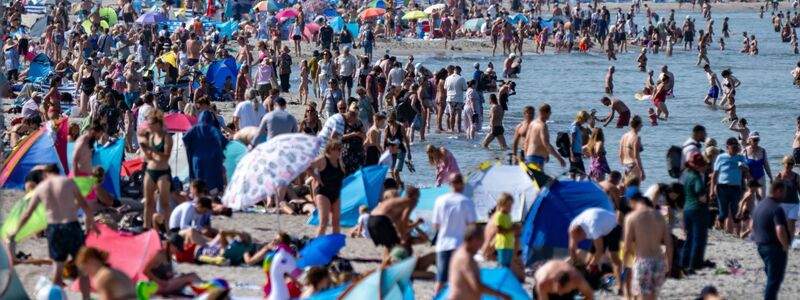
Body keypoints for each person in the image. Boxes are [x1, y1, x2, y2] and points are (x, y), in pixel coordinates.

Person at [8, 164, 96, 300]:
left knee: (58, 267)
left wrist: (16, 231)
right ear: (57, 172)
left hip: (54, 229)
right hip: (72, 226)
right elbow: (84, 204)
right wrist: (92, 224)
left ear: (45, 175)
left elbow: (27, 214)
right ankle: (86, 298)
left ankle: (56, 297)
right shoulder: (68, 182)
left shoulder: (41, 188)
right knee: (82, 268)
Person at [433, 173, 477, 295]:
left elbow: (436, 225)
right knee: (460, 280)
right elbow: (472, 226)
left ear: (449, 184)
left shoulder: (440, 200)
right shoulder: (466, 202)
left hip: (443, 244)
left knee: (441, 280)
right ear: (462, 184)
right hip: (460, 245)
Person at [623, 193, 673, 300]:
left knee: (642, 296)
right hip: (659, 262)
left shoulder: (633, 217)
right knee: (652, 296)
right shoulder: (659, 216)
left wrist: (624, 266)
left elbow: (627, 246)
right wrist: (669, 265)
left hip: (643, 261)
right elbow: (669, 243)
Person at [447, 224, 512, 300]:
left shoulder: (462, 253)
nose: (481, 246)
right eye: (482, 241)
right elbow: (476, 286)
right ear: (475, 240)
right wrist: (502, 295)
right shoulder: (465, 258)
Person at [752, 181, 791, 300]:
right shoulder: (776, 208)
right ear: (777, 191)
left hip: (761, 246)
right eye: (783, 192)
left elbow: (751, 224)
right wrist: (785, 246)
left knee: (771, 276)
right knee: (774, 281)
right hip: (773, 248)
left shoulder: (760, 205)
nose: (785, 196)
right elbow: (780, 229)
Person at [567, 207, 621, 285]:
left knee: (613, 256)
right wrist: (576, 264)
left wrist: (591, 265)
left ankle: (620, 285)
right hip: (599, 224)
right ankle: (586, 279)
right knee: (589, 257)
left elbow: (600, 250)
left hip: (613, 226)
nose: (578, 242)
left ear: (582, 232)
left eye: (578, 239)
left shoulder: (592, 227)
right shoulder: (572, 227)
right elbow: (572, 248)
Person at [368, 186, 420, 262]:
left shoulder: (397, 201)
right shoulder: (410, 202)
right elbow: (404, 221)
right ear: (411, 196)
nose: (417, 200)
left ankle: (385, 261)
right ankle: (387, 264)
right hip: (381, 219)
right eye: (417, 197)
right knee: (394, 244)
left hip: (371, 219)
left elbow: (399, 223)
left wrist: (415, 224)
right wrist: (403, 237)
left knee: (390, 243)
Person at [183, 111, 227, 194]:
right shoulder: (214, 130)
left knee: (198, 184)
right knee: (213, 185)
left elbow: (185, 140)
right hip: (213, 160)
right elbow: (224, 142)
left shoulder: (194, 129)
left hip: (197, 160)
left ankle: (199, 200)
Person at [711, 137, 749, 235]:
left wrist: (744, 167)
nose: (735, 149)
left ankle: (737, 234)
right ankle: (722, 233)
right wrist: (712, 190)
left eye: (736, 147)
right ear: (727, 147)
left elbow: (747, 173)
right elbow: (714, 175)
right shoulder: (721, 157)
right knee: (723, 213)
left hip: (736, 188)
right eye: (733, 147)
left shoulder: (740, 157)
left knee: (735, 212)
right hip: (722, 187)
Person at [682, 152, 711, 272]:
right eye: (703, 165)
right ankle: (695, 264)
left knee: (689, 238)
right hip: (697, 210)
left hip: (687, 209)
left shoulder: (687, 175)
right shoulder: (696, 177)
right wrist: (707, 193)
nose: (705, 167)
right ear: (697, 166)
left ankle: (684, 262)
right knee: (699, 238)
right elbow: (701, 195)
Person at [310, 140, 345, 237]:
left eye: (340, 149)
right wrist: (315, 176)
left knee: (336, 222)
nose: (339, 151)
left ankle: (335, 249)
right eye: (337, 149)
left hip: (336, 193)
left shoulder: (339, 161)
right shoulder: (323, 160)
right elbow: (308, 166)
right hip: (323, 193)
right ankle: (317, 247)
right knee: (324, 222)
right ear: (330, 150)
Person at [524, 104, 566, 170]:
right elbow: (546, 144)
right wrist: (559, 158)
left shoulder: (532, 123)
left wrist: (527, 156)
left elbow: (526, 141)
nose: (550, 115)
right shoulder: (542, 126)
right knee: (538, 179)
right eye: (549, 113)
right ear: (544, 112)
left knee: (531, 179)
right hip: (537, 159)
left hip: (530, 157)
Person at [743, 131, 773, 199]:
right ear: (749, 140)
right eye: (754, 140)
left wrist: (770, 177)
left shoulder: (763, 151)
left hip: (760, 177)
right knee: (750, 200)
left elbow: (766, 166)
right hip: (749, 178)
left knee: (762, 198)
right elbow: (742, 166)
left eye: (757, 139)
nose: (756, 142)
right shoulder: (745, 151)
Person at [775, 156, 800, 237]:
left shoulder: (796, 176)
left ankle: (791, 241)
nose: (790, 166)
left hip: (794, 203)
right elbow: (774, 190)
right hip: (782, 204)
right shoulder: (779, 175)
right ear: (783, 164)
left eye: (792, 164)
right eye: (788, 164)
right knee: (782, 224)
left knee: (791, 223)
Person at [490, 194, 515, 267]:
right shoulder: (499, 215)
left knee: (507, 264)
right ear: (502, 204)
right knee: (502, 264)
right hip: (502, 244)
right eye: (508, 205)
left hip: (509, 244)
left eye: (511, 205)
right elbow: (499, 230)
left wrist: (513, 228)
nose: (510, 207)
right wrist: (511, 229)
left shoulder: (508, 215)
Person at [620, 115, 645, 181]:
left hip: (625, 165)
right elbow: (636, 156)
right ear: (638, 124)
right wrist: (642, 171)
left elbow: (620, 155)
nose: (642, 125)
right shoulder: (636, 138)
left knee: (626, 189)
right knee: (634, 189)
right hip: (633, 166)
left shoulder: (624, 136)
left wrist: (623, 167)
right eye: (641, 123)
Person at [444, 66, 467, 134]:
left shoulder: (448, 78)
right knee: (458, 114)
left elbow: (445, 88)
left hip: (449, 98)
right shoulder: (461, 78)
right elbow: (465, 89)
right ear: (459, 71)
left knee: (451, 114)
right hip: (458, 98)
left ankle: (452, 129)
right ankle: (458, 129)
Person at [568, 111, 589, 179]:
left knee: (573, 173)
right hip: (574, 153)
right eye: (585, 119)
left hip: (577, 152)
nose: (585, 121)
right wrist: (572, 155)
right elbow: (571, 142)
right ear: (581, 118)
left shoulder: (577, 126)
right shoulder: (574, 127)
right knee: (581, 174)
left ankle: (572, 187)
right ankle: (575, 187)